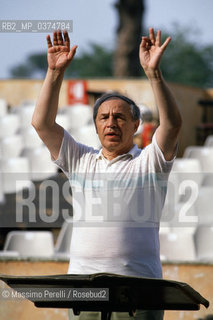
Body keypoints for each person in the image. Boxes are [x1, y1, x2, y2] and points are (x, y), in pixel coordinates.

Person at [32, 28, 182, 320]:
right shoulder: (81, 159)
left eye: (120, 117)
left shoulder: (151, 162)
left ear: (136, 124)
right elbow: (42, 124)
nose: (111, 122)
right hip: (84, 291)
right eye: (104, 117)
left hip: (140, 291)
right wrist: (54, 73)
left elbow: (173, 125)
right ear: (97, 125)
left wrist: (153, 74)